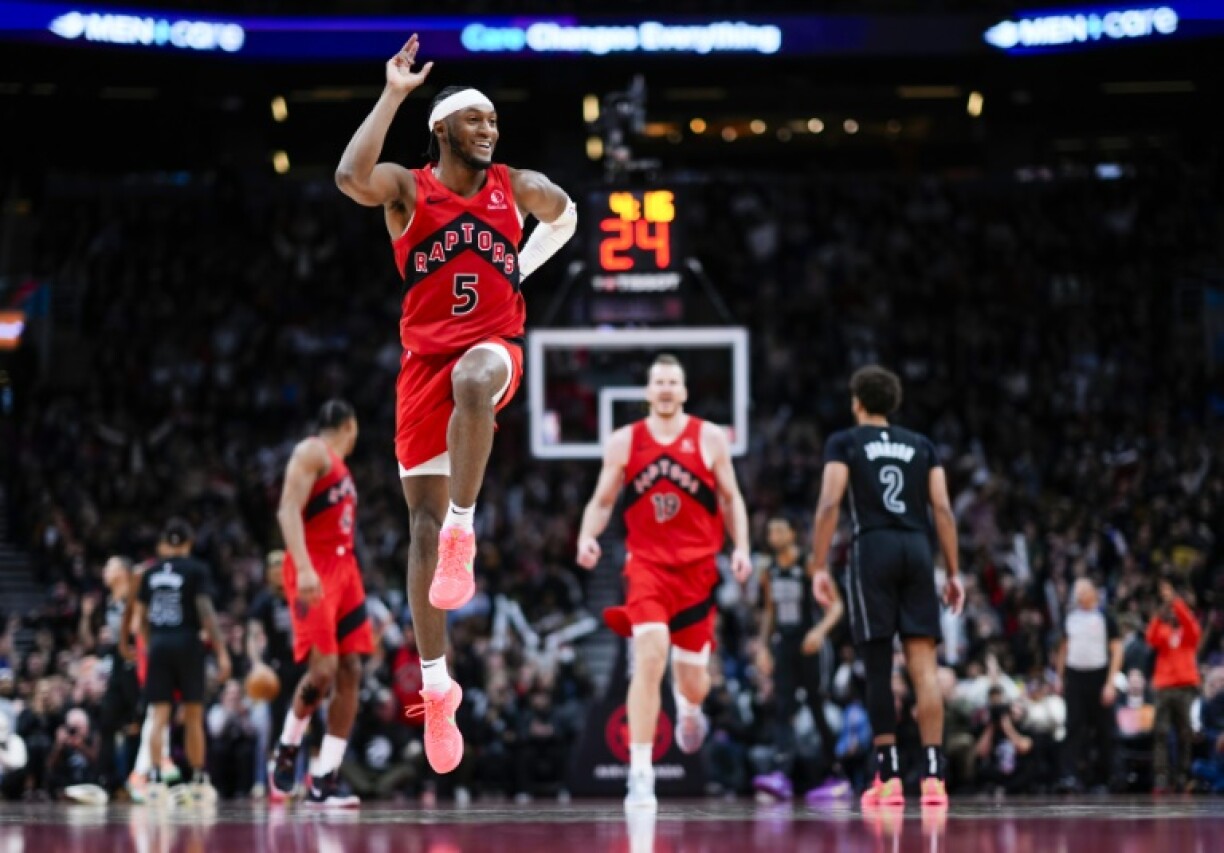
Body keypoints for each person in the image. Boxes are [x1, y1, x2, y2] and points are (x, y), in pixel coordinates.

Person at [334, 34, 576, 775]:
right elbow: (349, 176)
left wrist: (516, 268)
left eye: (495, 122)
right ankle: (438, 689)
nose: (490, 130)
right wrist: (393, 92)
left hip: (492, 351)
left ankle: (466, 533)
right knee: (418, 530)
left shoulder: (517, 183)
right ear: (444, 130)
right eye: (477, 121)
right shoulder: (410, 188)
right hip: (421, 367)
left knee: (477, 381)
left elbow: (565, 215)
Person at [577, 354, 753, 809]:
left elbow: (732, 499)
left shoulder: (710, 437)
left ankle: (691, 709)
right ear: (648, 391)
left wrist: (742, 549)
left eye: (674, 381)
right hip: (647, 569)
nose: (667, 389)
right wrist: (586, 536)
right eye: (659, 382)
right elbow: (602, 500)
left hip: (697, 572)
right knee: (650, 655)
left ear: (685, 390)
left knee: (693, 680)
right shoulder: (624, 441)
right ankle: (640, 773)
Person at [808, 365, 964, 808]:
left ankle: (889, 778)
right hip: (917, 547)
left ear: (857, 401)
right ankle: (934, 778)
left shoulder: (845, 441)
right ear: (893, 404)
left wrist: (818, 565)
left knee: (877, 665)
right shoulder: (922, 445)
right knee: (924, 669)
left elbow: (829, 502)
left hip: (873, 547)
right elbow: (943, 510)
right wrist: (953, 572)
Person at [268, 400, 371, 807]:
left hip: (346, 570)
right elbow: (287, 508)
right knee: (323, 669)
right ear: (350, 425)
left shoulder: (341, 468)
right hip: (316, 565)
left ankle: (325, 776)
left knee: (351, 668)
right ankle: (289, 745)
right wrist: (306, 567)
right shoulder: (313, 450)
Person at [132, 518, 230, 807]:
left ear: (164, 543)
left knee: (158, 716)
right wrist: (221, 651)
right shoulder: (197, 570)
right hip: (188, 643)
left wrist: (152, 646)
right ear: (189, 543)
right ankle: (198, 780)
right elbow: (205, 611)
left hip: (159, 644)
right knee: (193, 715)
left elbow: (139, 622)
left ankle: (154, 780)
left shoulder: (149, 573)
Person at [752, 516, 848, 804]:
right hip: (785, 644)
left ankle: (837, 775)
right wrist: (763, 647)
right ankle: (781, 775)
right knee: (782, 708)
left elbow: (837, 606)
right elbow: (770, 612)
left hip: (811, 646)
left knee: (818, 708)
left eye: (780, 529)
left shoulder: (809, 564)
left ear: (793, 533)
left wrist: (819, 632)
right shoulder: (769, 571)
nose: (774, 535)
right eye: (771, 530)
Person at [1055, 577, 1122, 792]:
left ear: (1093, 592)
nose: (1078, 595)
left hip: (1099, 676)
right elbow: (1063, 649)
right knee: (1073, 727)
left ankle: (1108, 778)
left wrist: (1110, 683)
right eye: (1076, 591)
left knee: (1104, 729)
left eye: (1083, 590)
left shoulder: (1105, 617)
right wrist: (1059, 676)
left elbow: (1117, 650)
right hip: (1075, 677)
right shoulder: (1071, 618)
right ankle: (1069, 777)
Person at [1146, 580, 1201, 793]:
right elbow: (1150, 639)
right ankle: (1161, 778)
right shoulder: (1164, 630)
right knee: (1160, 733)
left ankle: (1183, 775)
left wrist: (1174, 601)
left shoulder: (1189, 630)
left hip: (1185, 686)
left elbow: (1189, 622)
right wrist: (1160, 614)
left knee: (1185, 733)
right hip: (1164, 687)